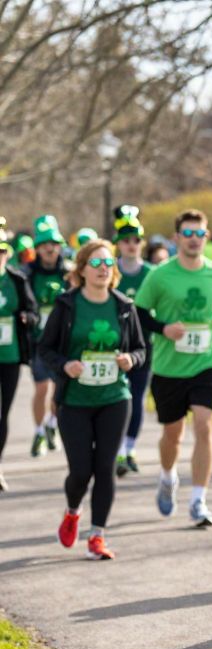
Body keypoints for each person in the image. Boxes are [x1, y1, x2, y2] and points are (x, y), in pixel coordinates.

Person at [39, 240, 146, 560]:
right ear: (82, 269)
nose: (103, 269)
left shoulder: (124, 305)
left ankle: (97, 536)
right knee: (81, 471)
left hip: (115, 397)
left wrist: (131, 359)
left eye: (108, 263)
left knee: (105, 468)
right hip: (75, 400)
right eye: (96, 263)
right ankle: (73, 511)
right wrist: (64, 366)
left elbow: (141, 349)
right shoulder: (67, 305)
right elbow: (45, 349)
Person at [133, 209, 212, 526]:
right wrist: (163, 328)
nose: (193, 240)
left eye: (199, 234)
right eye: (187, 234)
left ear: (206, 236)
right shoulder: (160, 274)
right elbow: (139, 312)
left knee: (204, 425)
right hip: (168, 366)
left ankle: (198, 500)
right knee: (172, 435)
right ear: (176, 239)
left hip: (206, 362)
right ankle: (167, 477)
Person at [110, 205, 152, 477]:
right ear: (118, 244)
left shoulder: (151, 272)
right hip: (113, 347)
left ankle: (129, 448)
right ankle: (114, 450)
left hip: (142, 345)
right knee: (116, 399)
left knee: (136, 398)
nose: (131, 245)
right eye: (126, 240)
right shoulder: (109, 270)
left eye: (136, 240)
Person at [26, 215, 70, 457]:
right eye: (44, 245)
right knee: (41, 387)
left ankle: (53, 424)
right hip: (39, 342)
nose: (49, 249)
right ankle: (38, 432)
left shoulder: (69, 272)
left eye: (53, 244)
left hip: (64, 343)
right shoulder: (28, 274)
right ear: (37, 249)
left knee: (60, 391)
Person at [0, 236, 38, 492]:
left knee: (2, 413)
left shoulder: (16, 280)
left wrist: (27, 318)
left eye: (2, 251)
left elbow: (33, 312)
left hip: (9, 356)